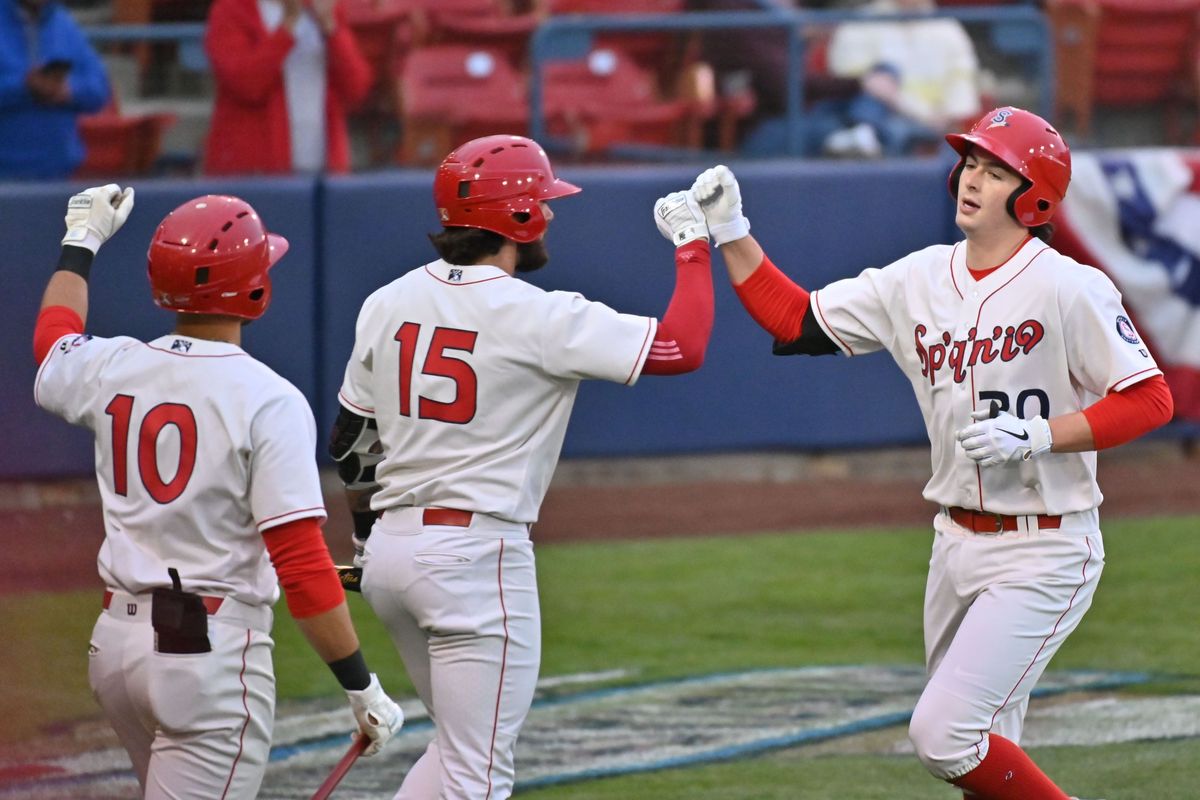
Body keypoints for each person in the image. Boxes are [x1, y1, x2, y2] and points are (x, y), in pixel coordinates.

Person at [691, 107, 1173, 799]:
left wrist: (1040, 435)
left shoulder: (1070, 285)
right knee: (984, 755)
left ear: (1033, 195)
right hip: (954, 544)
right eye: (972, 163)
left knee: (943, 735)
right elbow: (796, 320)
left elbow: (1150, 399)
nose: (973, 179)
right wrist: (732, 232)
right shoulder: (917, 279)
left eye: (996, 170)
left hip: (1045, 547)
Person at [330, 134, 715, 799]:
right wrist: (692, 243)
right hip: (475, 561)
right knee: (478, 775)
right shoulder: (539, 315)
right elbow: (683, 345)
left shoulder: (385, 301)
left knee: (457, 757)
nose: (553, 213)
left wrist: (366, 539)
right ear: (516, 219)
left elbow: (351, 442)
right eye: (542, 201)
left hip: (393, 555)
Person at [32, 185, 404, 797]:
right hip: (206, 660)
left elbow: (53, 339)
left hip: (116, 648)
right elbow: (301, 562)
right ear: (255, 289)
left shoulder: (112, 365)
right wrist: (360, 685)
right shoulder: (268, 398)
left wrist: (82, 240)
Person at [203, 0, 372, 175]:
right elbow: (246, 84)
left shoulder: (324, 9)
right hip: (253, 171)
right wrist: (288, 27)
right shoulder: (231, 9)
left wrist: (331, 28)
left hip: (323, 168)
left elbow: (356, 87)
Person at [0, 0, 110, 180]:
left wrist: (68, 90)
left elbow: (98, 89)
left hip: (59, 176)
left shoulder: (63, 23)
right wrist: (24, 87)